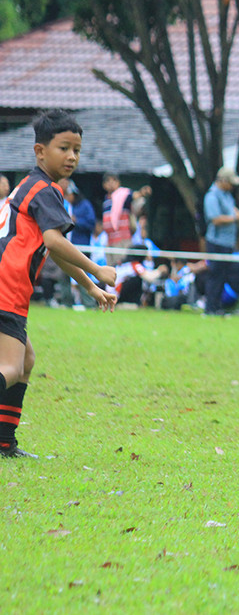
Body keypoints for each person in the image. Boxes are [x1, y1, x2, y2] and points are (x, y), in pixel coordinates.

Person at [0, 109, 117, 458]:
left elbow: (56, 251)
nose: (71, 157)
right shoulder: (46, 190)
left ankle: (5, 442)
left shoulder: (31, 185)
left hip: (6, 284)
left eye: (76, 150)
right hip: (8, 286)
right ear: (40, 151)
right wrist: (98, 269)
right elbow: (55, 242)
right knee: (11, 367)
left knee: (27, 360)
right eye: (63, 148)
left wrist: (90, 288)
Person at [202, 166, 239, 316]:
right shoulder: (212, 196)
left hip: (228, 242)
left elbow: (232, 211)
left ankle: (217, 307)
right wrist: (237, 217)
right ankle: (209, 308)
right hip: (216, 241)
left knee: (223, 275)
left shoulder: (227, 196)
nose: (232, 186)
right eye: (230, 182)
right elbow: (216, 219)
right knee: (215, 274)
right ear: (222, 180)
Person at [101, 172, 134, 265]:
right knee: (111, 267)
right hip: (110, 240)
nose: (111, 183)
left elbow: (134, 196)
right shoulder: (106, 201)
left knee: (122, 266)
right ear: (104, 185)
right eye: (108, 181)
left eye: (114, 180)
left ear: (118, 183)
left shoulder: (124, 196)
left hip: (122, 240)